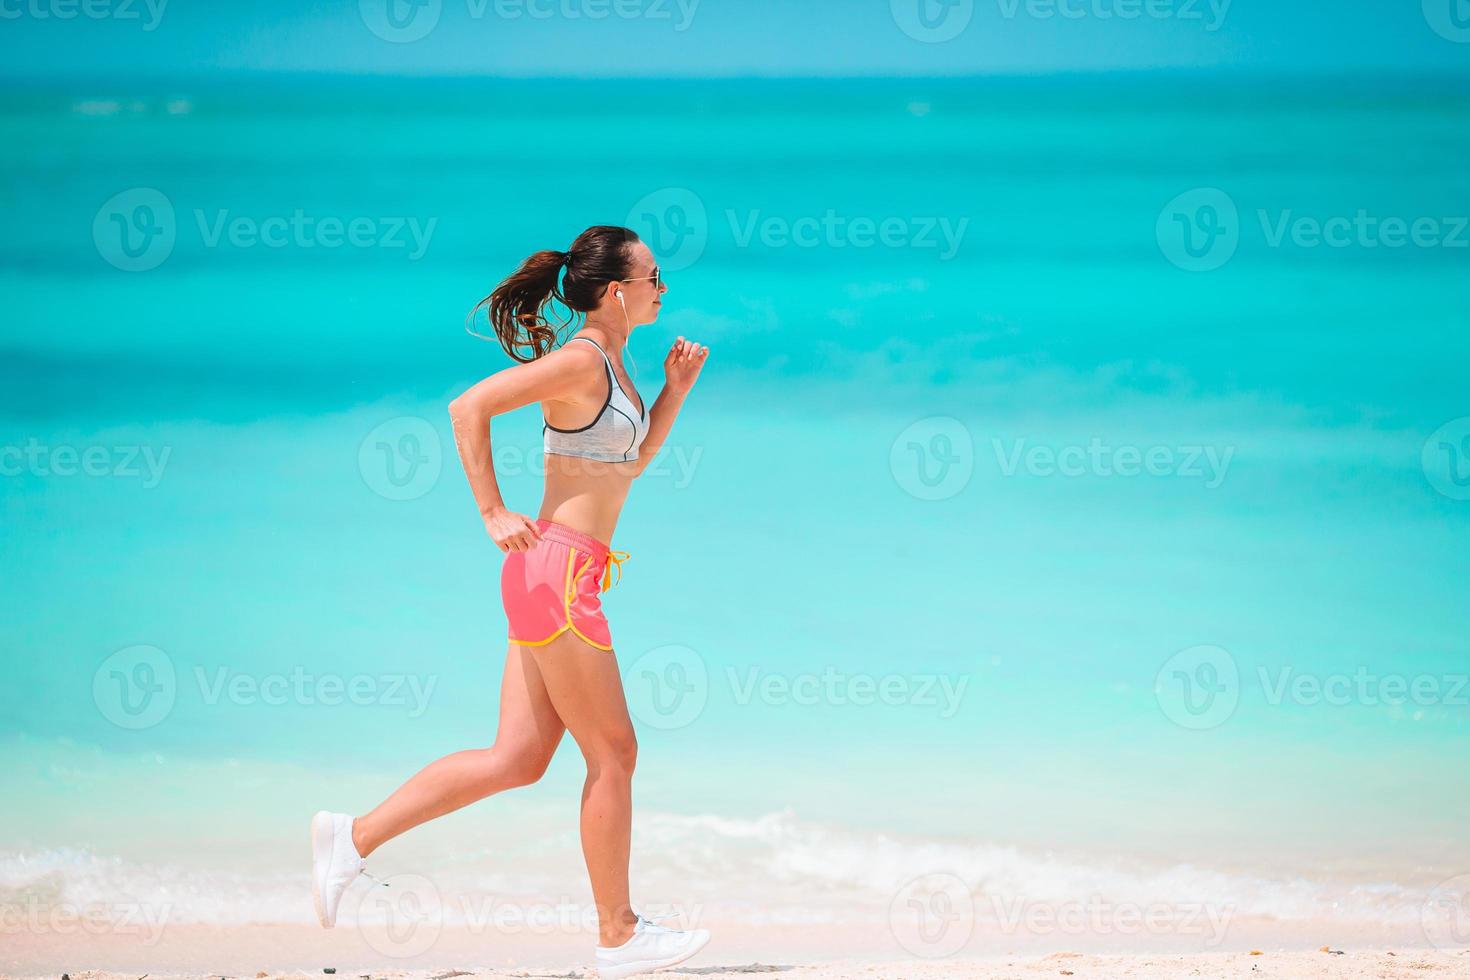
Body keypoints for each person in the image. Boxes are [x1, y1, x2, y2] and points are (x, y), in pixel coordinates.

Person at [310, 225, 711, 979]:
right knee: (614, 752)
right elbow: (470, 406)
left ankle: (349, 838)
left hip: (556, 575)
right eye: (655, 278)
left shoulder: (613, 365)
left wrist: (674, 394)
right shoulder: (579, 362)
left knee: (517, 759)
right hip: (555, 575)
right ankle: (618, 935)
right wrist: (492, 511)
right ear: (617, 290)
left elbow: (626, 467)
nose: (665, 290)